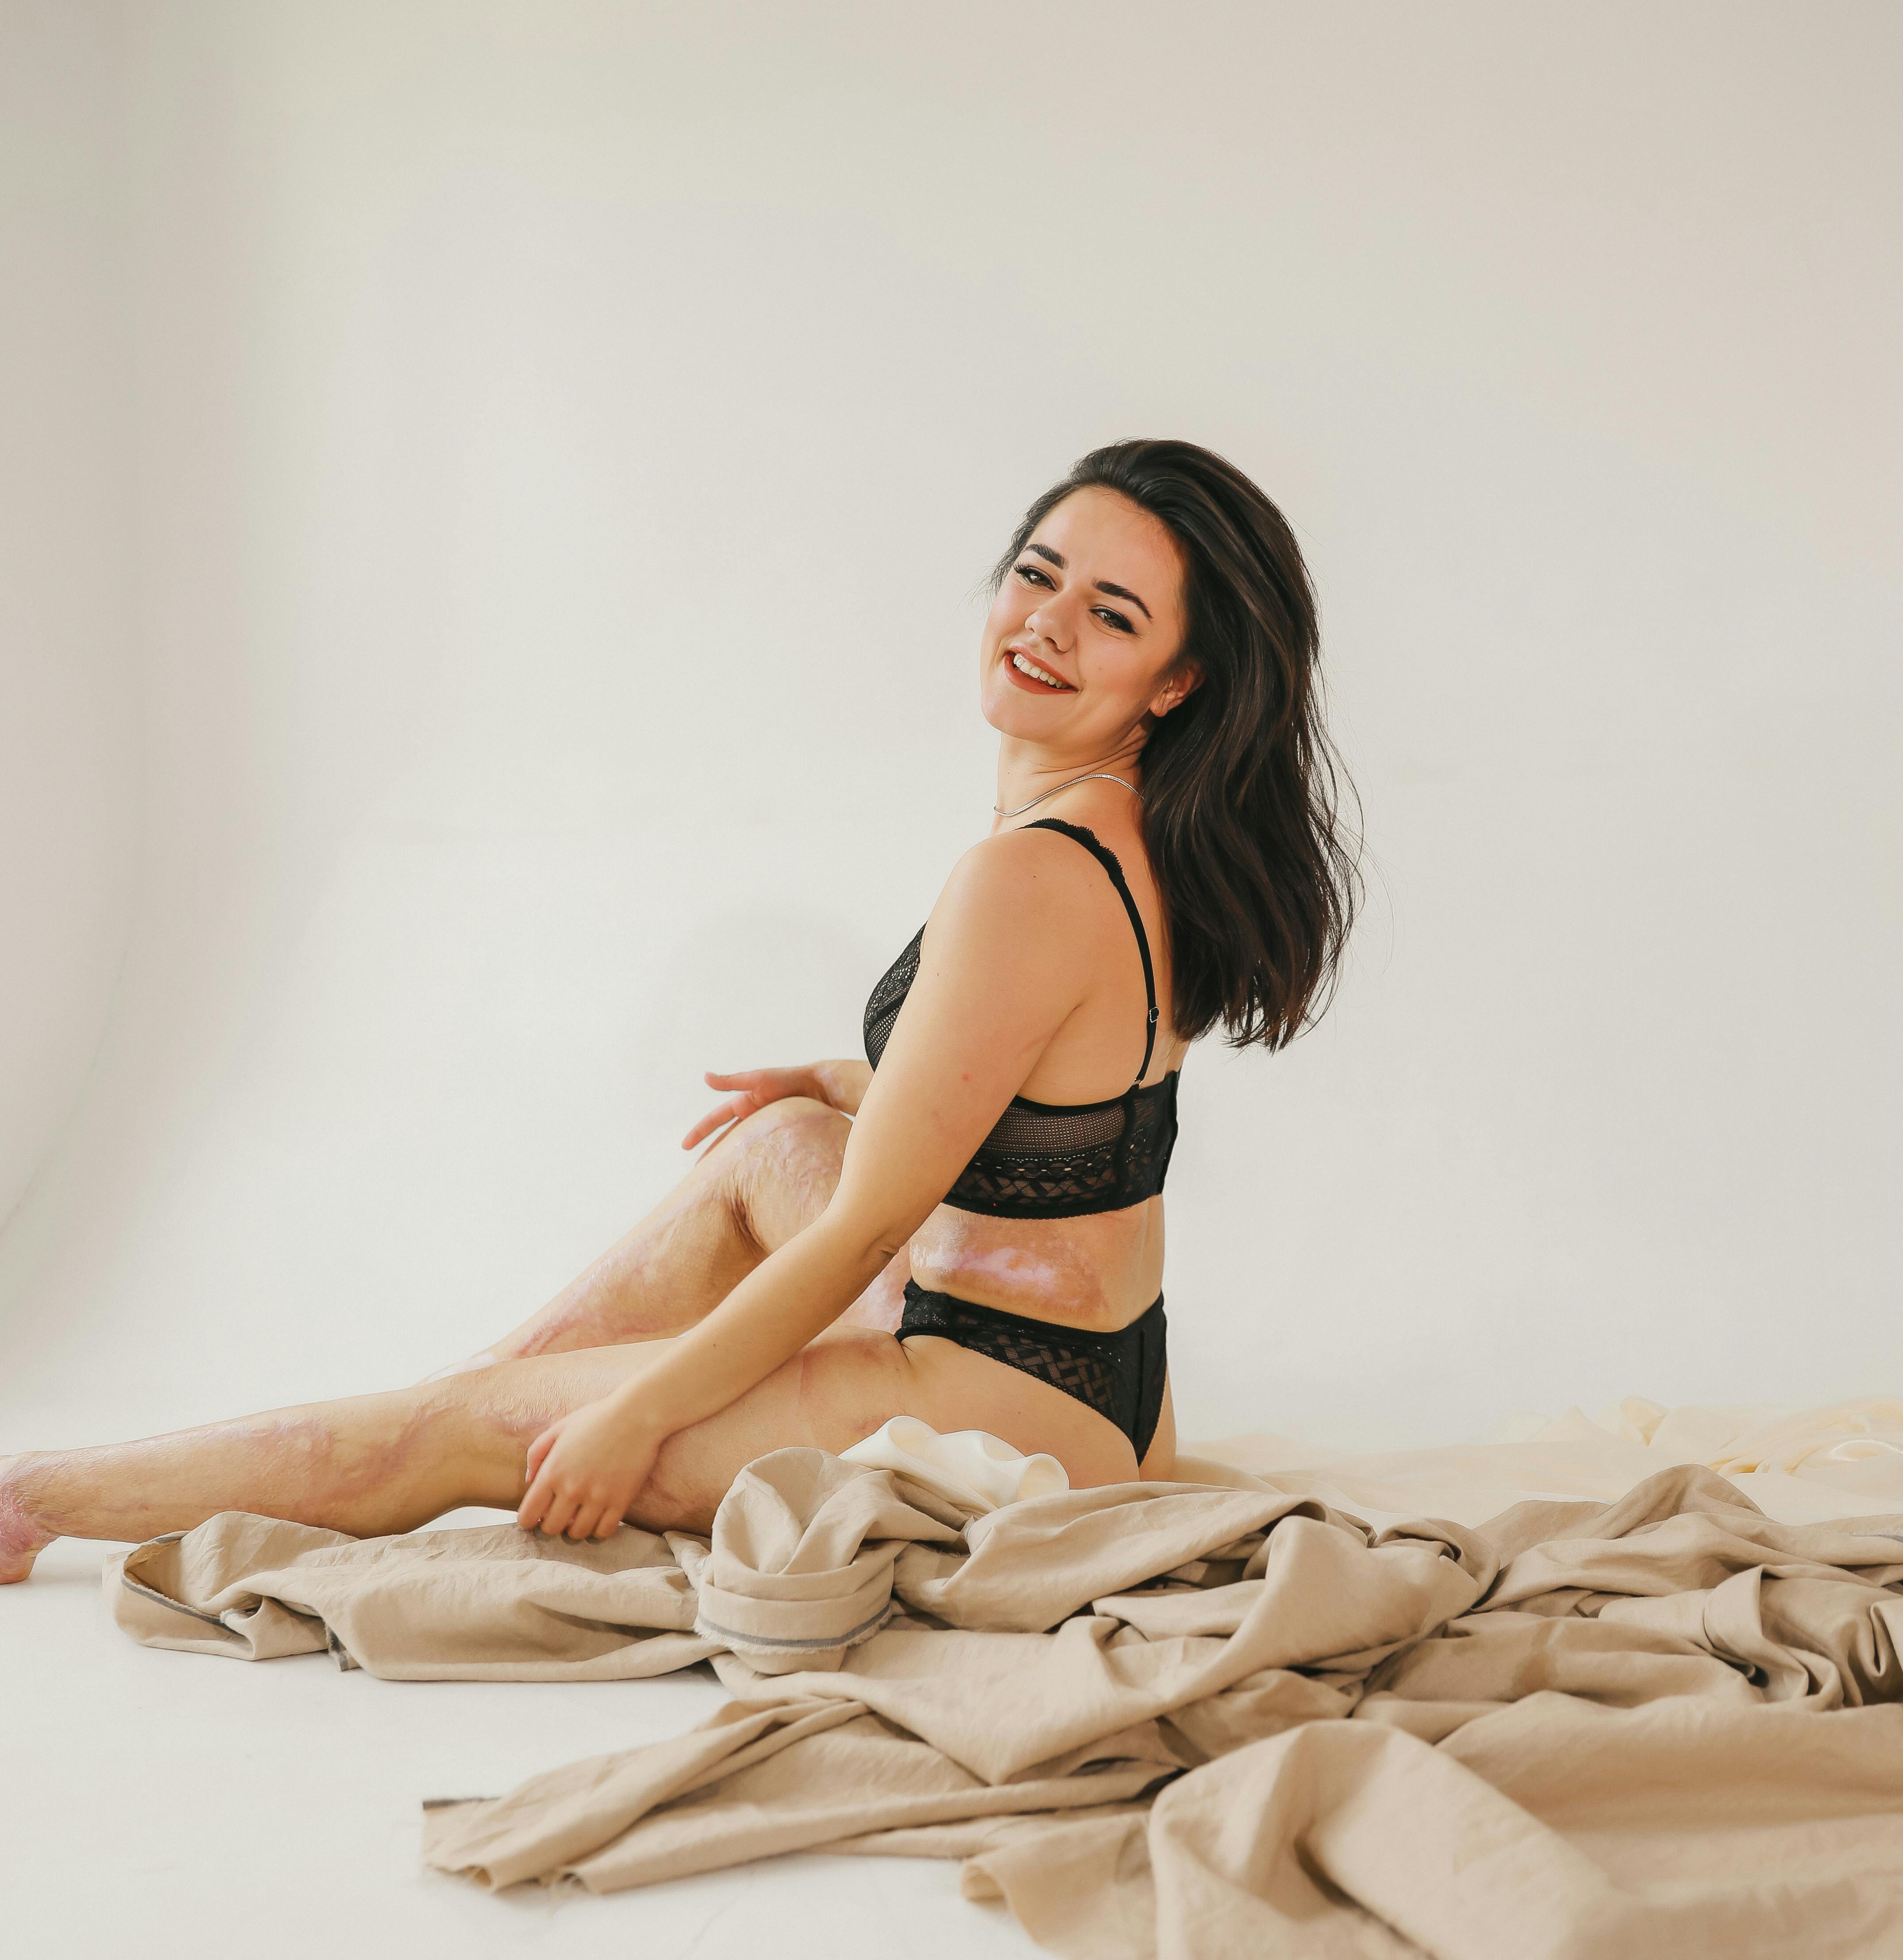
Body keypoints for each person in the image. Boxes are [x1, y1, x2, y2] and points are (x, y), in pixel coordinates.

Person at [0, 439, 1359, 1579]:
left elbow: (867, 1235)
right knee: (768, 1152)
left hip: (1009, 1439)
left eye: (1112, 616)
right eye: (1037, 574)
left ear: (1176, 682)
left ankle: (35, 1499)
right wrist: (845, 1080)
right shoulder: (1127, 838)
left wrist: (630, 1421)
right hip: (1107, 1394)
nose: (1048, 625)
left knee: (485, 1431)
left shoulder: (1029, 876)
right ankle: (448, 1407)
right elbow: (1057, 1111)